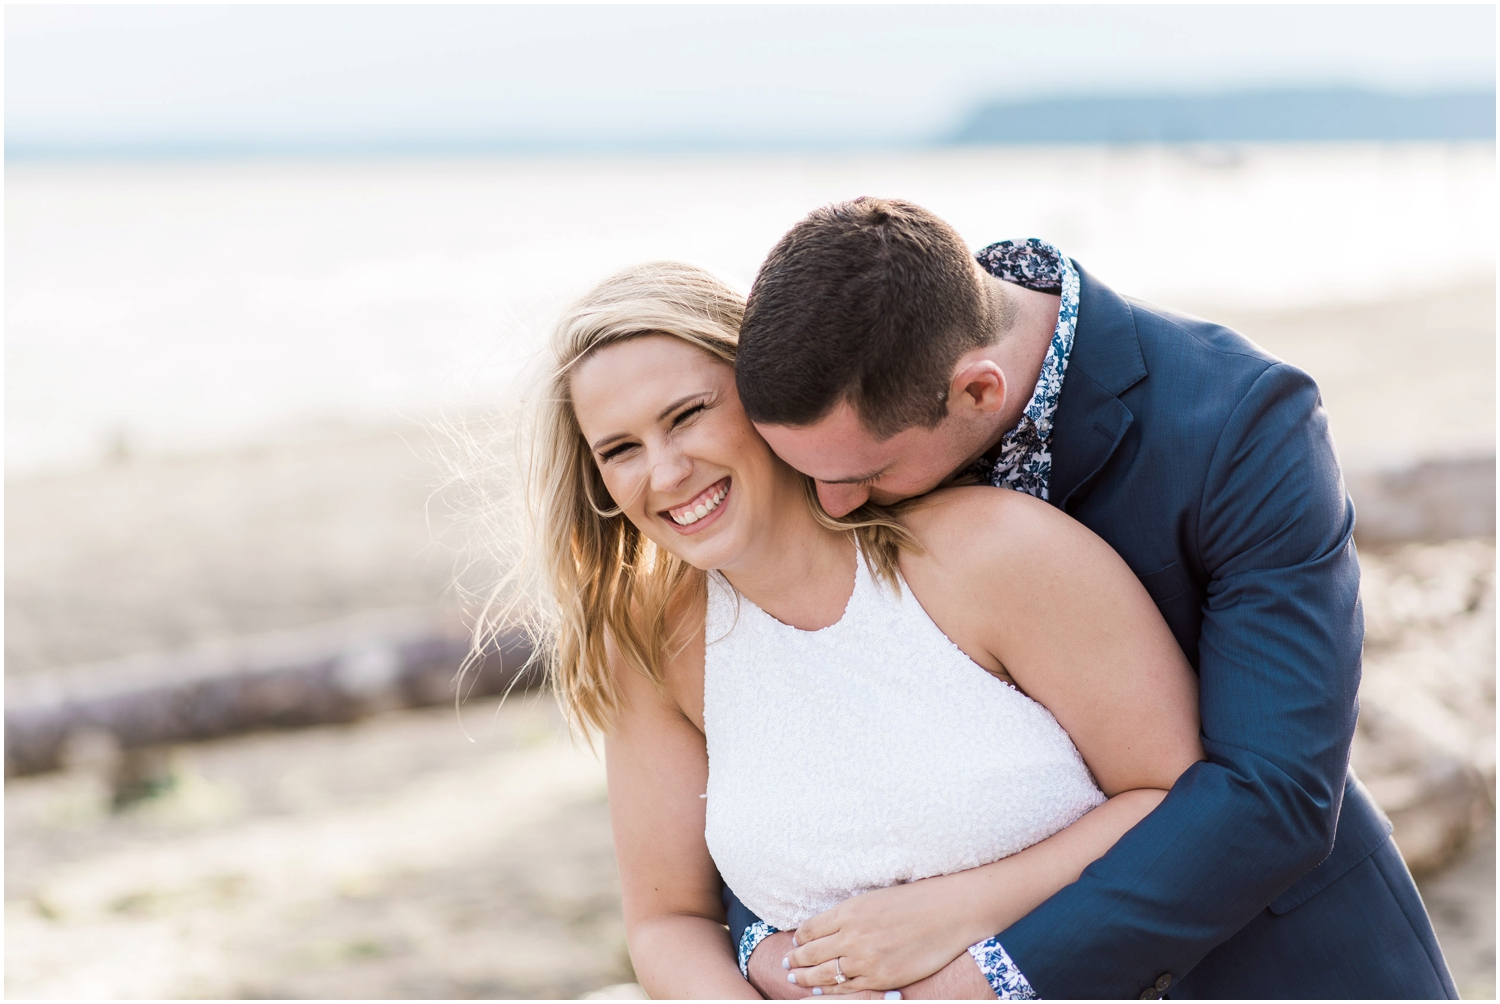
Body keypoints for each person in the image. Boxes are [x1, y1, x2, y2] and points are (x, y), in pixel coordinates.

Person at [728, 197, 1457, 999]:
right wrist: (773, 939)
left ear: (977, 392)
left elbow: (1275, 794)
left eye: (867, 477)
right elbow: (767, 715)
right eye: (811, 478)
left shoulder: (1241, 426)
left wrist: (990, 981)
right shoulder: (847, 412)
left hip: (1271, 966)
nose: (832, 509)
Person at [505, 261, 1207, 999]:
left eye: (687, 415)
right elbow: (669, 920)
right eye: (619, 450)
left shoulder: (994, 552)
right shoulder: (651, 642)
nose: (666, 471)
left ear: (761, 394)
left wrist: (967, 915)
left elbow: (1174, 798)